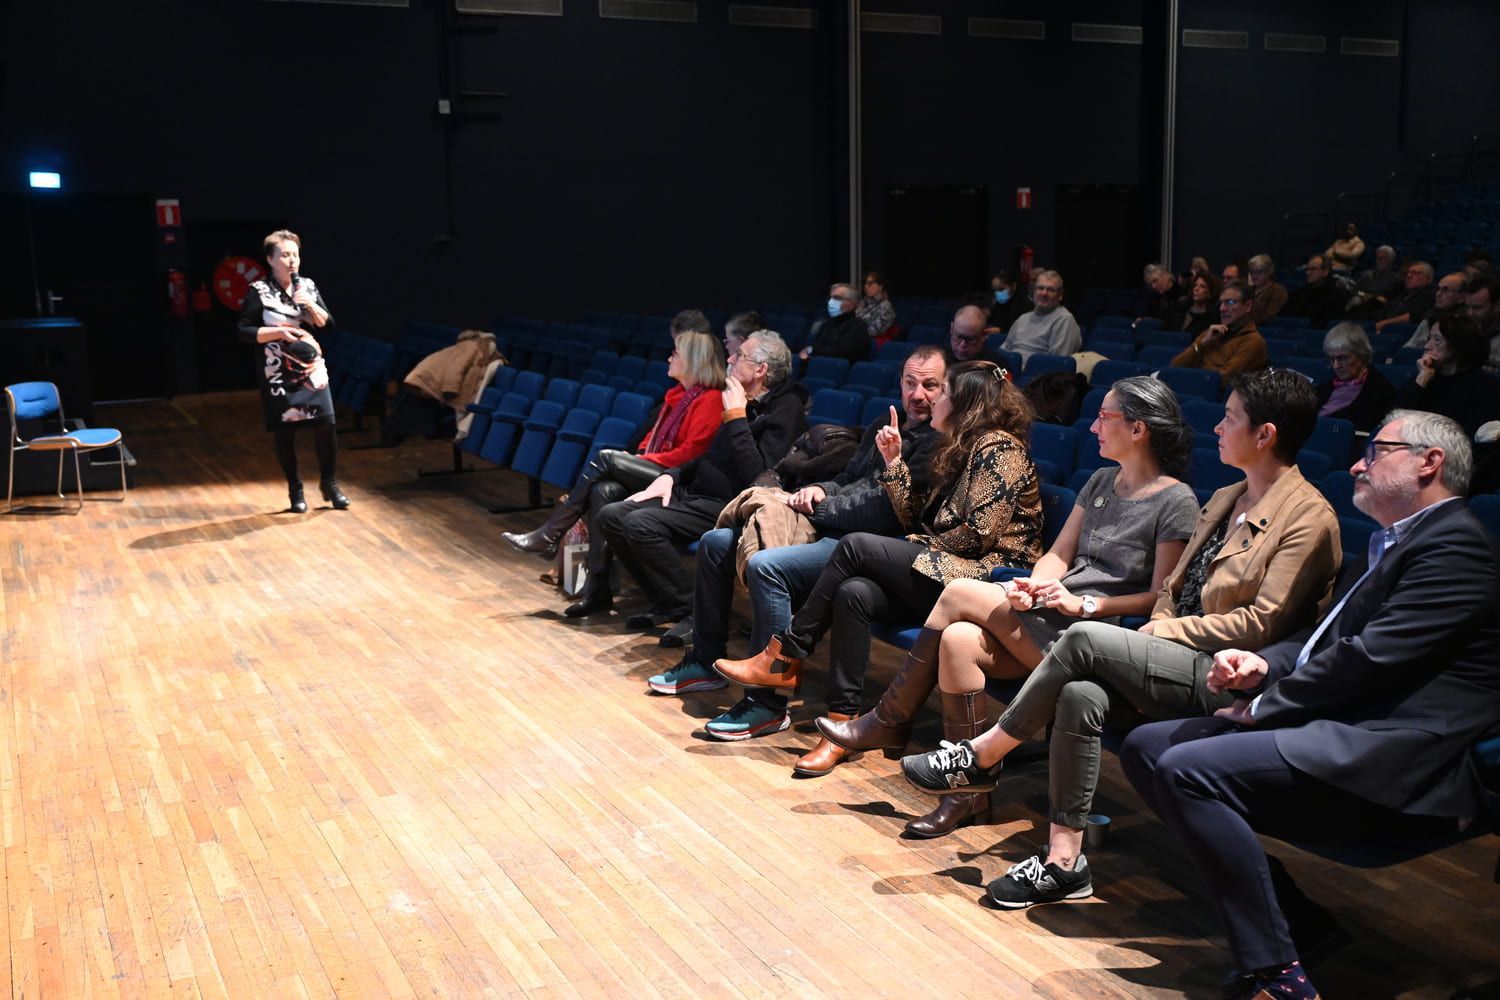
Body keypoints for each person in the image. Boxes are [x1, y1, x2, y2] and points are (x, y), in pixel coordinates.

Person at [899, 369, 1341, 909]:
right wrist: (1064, 594)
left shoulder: (1308, 518)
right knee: (1080, 693)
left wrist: (1157, 627)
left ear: (1266, 434)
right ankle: (1065, 862)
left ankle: (980, 754)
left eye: (1229, 418)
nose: (1217, 429)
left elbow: (1260, 625)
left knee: (1080, 637)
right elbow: (1174, 589)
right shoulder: (1228, 496)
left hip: (1226, 674)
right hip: (1165, 650)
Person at [1120, 410, 1500, 1000]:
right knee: (1149, 745)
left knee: (1186, 769)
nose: (1357, 463)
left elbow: (1372, 659)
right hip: (1346, 720)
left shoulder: (1457, 548)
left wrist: (1264, 705)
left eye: (1375, 451)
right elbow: (1327, 638)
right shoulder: (1398, 540)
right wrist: (1264, 664)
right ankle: (1300, 926)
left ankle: (1275, 974)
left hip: (1399, 749)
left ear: (1431, 462)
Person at [818, 376, 1200, 836]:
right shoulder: (1101, 480)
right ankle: (966, 797)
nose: (1095, 425)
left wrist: (1086, 605)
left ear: (1138, 429)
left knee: (958, 593)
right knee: (959, 640)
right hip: (1049, 614)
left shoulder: (1176, 501)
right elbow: (1058, 556)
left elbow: (1161, 597)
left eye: (1105, 416)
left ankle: (888, 719)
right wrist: (1032, 586)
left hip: (1092, 639)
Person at [713, 361, 1044, 776]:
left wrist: (916, 543)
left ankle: (785, 656)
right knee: (854, 592)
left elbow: (976, 536)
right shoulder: (958, 446)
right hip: (946, 565)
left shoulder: (1002, 450)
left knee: (855, 547)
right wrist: (894, 465)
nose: (934, 399)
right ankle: (842, 722)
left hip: (987, 578)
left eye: (942, 393)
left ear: (964, 404)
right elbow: (912, 519)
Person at [647, 347, 949, 741]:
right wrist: (818, 489)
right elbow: (848, 478)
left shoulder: (938, 443)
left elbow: (884, 514)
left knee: (765, 565)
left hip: (870, 546)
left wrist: (820, 508)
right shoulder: (883, 421)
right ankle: (703, 661)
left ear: (945, 389)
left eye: (929, 385)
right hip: (834, 526)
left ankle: (767, 703)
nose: (918, 394)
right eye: (910, 383)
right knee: (717, 541)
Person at [584, 331, 807, 625]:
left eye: (739, 355)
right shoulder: (743, 400)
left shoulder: (785, 410)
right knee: (610, 515)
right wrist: (672, 475)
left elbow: (759, 477)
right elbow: (710, 456)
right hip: (696, 492)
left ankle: (692, 610)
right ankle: (667, 601)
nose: (730, 358)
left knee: (638, 524)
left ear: (760, 369)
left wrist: (736, 417)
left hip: (728, 506)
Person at [501, 323, 725, 559]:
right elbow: (651, 435)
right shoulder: (678, 395)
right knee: (602, 490)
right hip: (658, 466)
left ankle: (550, 534)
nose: (669, 358)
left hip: (678, 478)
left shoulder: (711, 399)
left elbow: (691, 453)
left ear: (693, 360)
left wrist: (644, 459)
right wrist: (639, 456)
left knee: (605, 458)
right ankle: (597, 589)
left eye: (675, 353)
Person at [235, 229, 345, 513]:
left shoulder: (307, 285)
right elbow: (243, 330)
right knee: (286, 432)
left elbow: (329, 326)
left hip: (311, 369)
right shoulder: (258, 291)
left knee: (327, 423)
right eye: (285, 255)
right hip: (277, 370)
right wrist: (279, 332)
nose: (292, 260)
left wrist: (310, 306)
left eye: (295, 254)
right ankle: (295, 489)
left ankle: (330, 484)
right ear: (271, 259)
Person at [1394, 313, 1500, 439]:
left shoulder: (1485, 386)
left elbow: (1475, 437)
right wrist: (1420, 381)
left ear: (1458, 345)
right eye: (1429, 339)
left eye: (1437, 340)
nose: (1427, 346)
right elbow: (1394, 420)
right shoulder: (1426, 377)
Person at [1170, 280, 1268, 383]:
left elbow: (1220, 381)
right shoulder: (1211, 333)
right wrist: (1201, 344)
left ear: (1248, 306)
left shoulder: (1253, 341)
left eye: (1230, 302)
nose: (1222, 309)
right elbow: (1174, 366)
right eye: (1221, 303)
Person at [1313, 322, 1397, 439]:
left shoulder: (1380, 391)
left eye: (1342, 358)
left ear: (1361, 355)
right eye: (1332, 359)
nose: (1336, 366)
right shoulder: (1326, 385)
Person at [1001, 270, 1081, 363]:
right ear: (1034, 292)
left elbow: (1056, 364)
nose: (1044, 293)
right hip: (1008, 372)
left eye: (1051, 290)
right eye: (1040, 288)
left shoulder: (1064, 320)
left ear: (1060, 295)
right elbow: (1004, 350)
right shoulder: (1023, 318)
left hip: (1036, 375)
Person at [800, 284, 870, 363]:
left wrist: (811, 350)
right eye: (830, 298)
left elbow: (842, 353)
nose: (831, 302)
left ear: (852, 303)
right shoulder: (827, 324)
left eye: (837, 298)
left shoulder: (859, 327)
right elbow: (818, 347)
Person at [1401, 271, 1465, 349]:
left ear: (1461, 297)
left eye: (1445, 290)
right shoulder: (1431, 315)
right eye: (1438, 289)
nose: (1438, 294)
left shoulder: (1463, 324)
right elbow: (1412, 344)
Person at [1282, 254, 1348, 330]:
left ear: (1325, 271)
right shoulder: (1300, 292)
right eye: (1307, 269)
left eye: (1313, 269)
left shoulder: (1336, 296)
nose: (1308, 273)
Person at [1373, 260, 1436, 332]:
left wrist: (1385, 323)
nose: (1409, 276)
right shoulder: (1399, 295)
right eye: (1408, 273)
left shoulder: (1431, 295)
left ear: (1428, 278)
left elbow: (1416, 316)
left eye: (1415, 273)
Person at [1462, 272, 1500, 372]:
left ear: (1497, 305)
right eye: (1467, 307)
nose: (1470, 313)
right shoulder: (1461, 330)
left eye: (1477, 308)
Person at [1176, 272, 1219, 340]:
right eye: (1195, 285)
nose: (1196, 289)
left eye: (1202, 286)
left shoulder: (1212, 318)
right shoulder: (1180, 309)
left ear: (1210, 293)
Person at [1246, 255, 1288, 325]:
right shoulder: (1248, 290)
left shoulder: (1278, 291)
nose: (1254, 276)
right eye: (1252, 272)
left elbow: (1267, 318)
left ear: (1269, 272)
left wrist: (1250, 293)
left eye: (1259, 271)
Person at [857, 272, 896, 341]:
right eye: (865, 284)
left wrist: (854, 332)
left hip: (872, 342)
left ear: (880, 286)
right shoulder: (863, 302)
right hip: (859, 338)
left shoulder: (885, 306)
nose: (866, 286)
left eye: (870, 283)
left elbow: (876, 330)